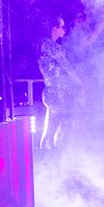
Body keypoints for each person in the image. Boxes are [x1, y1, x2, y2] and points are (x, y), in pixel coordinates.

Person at [38, 16, 87, 151]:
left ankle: (50, 154)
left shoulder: (49, 45)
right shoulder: (49, 45)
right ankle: (51, 154)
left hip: (56, 92)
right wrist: (79, 82)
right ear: (55, 28)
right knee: (56, 127)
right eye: (63, 27)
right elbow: (66, 65)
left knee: (52, 127)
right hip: (56, 93)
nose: (65, 30)